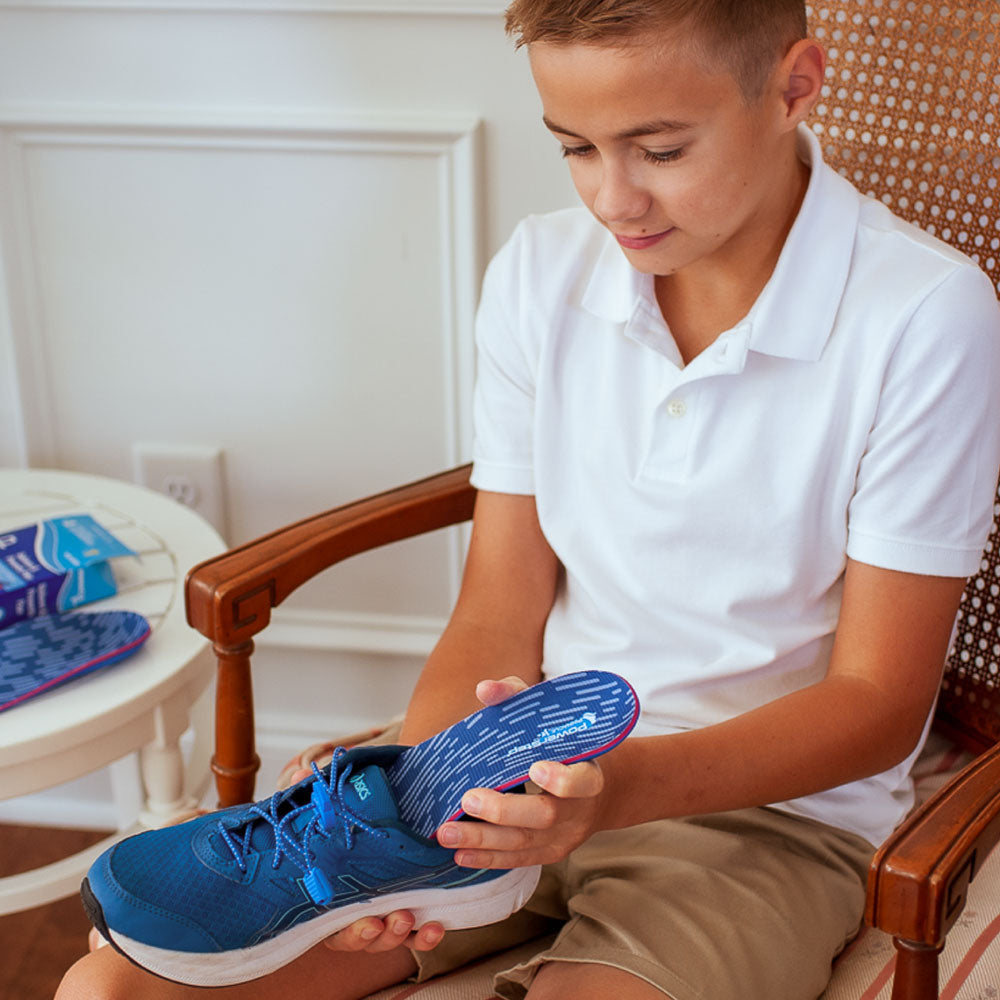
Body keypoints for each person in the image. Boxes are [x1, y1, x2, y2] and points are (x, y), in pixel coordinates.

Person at [56, 1, 1000, 998]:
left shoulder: (923, 318)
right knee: (108, 989)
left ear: (796, 86)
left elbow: (877, 705)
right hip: (512, 763)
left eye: (660, 149)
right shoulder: (542, 271)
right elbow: (500, 603)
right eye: (575, 148)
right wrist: (418, 807)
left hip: (761, 815)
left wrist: (612, 793)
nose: (615, 198)